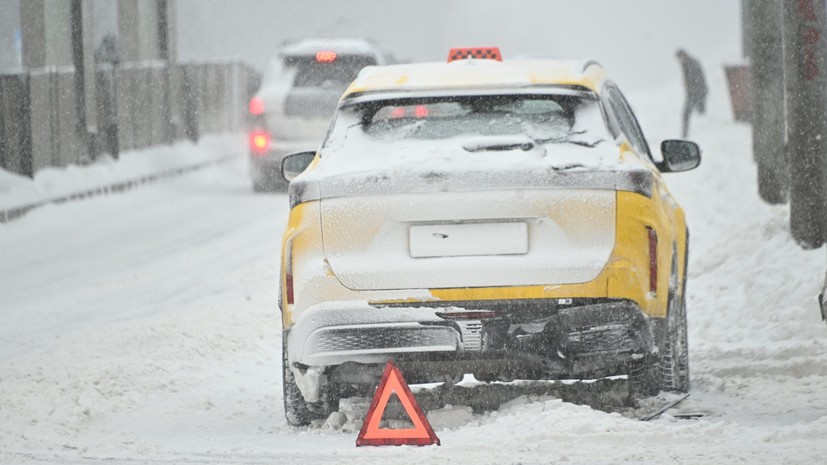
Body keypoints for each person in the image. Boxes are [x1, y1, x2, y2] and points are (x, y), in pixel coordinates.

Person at [676, 49, 707, 139]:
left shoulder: (691, 65)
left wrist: (692, 90)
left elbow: (697, 80)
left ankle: (686, 135)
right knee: (694, 113)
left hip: (696, 92)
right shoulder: (687, 64)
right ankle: (687, 135)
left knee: (688, 114)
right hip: (695, 92)